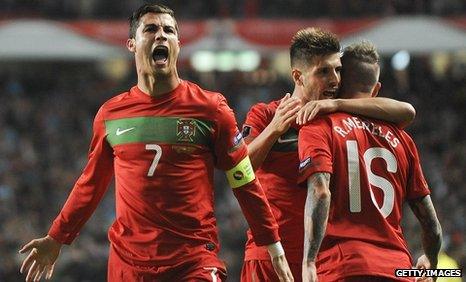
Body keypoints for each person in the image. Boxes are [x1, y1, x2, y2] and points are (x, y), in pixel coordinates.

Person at [18, 4, 294, 282]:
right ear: (131, 44)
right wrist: (57, 238)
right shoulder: (110, 115)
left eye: (169, 30)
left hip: (193, 260)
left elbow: (243, 179)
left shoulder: (211, 109)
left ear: (178, 44)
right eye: (151, 29)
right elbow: (90, 185)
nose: (161, 35)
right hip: (129, 264)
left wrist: (273, 245)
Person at [241, 27, 417, 282]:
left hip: (325, 262)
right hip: (270, 257)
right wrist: (273, 130)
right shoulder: (265, 114)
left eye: (337, 70)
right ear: (298, 76)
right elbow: (239, 170)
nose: (335, 79)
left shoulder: (339, 118)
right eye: (324, 71)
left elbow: (406, 112)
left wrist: (336, 104)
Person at [298, 41, 442, 281]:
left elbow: (321, 193)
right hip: (397, 269)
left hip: (343, 267)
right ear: (375, 90)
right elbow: (432, 225)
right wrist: (431, 261)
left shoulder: (320, 126)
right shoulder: (403, 140)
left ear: (340, 81)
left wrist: (309, 260)